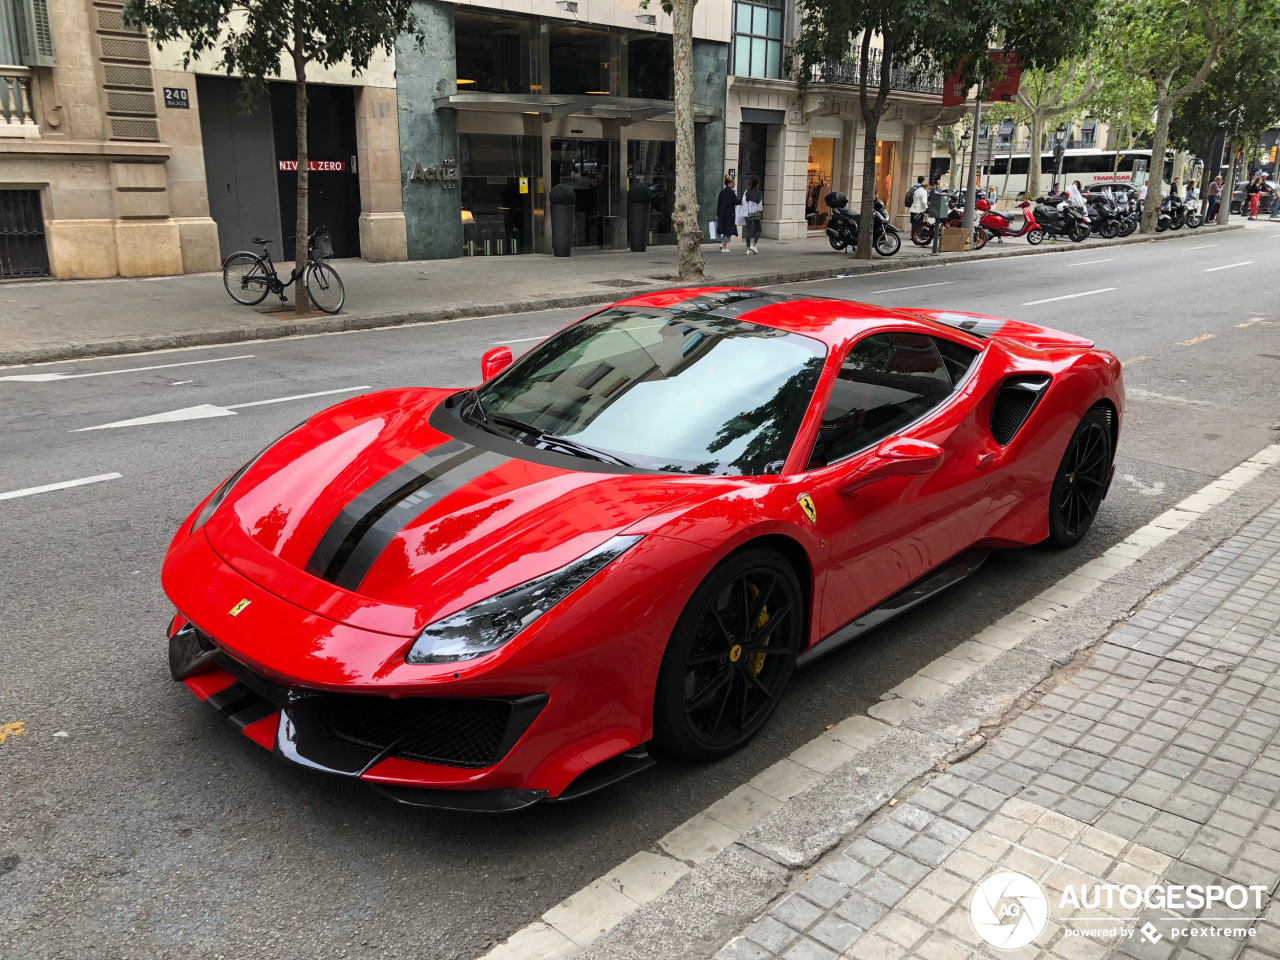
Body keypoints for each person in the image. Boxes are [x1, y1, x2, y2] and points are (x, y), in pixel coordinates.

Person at [741, 176, 764, 254]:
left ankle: (747, 249)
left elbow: (743, 202)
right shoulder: (759, 193)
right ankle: (753, 245)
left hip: (746, 213)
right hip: (754, 213)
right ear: (757, 184)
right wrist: (760, 211)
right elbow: (759, 205)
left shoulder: (746, 191)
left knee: (748, 231)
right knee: (759, 229)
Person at [715, 175, 738, 252]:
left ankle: (723, 244)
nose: (734, 184)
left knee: (724, 229)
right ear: (729, 183)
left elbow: (719, 204)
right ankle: (724, 246)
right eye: (733, 183)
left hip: (722, 214)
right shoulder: (731, 192)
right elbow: (735, 201)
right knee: (729, 230)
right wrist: (742, 201)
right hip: (729, 214)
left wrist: (717, 214)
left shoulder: (722, 192)